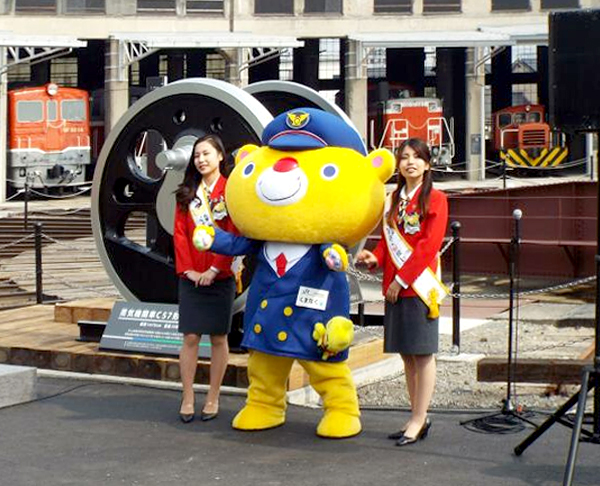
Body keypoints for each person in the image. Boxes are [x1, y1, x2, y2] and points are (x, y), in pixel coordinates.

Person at [357, 138, 448, 446]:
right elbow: (387, 240)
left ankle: (420, 418)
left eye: (417, 157)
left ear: (427, 164)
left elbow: (427, 246)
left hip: (418, 287)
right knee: (407, 355)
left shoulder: (435, 199)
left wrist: (402, 280)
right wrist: (375, 258)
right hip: (395, 286)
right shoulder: (394, 198)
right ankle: (415, 415)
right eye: (404, 157)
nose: (410, 162)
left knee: (422, 354)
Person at [173, 134, 236, 423]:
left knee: (219, 337)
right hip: (191, 276)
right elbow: (180, 235)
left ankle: (213, 397)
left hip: (220, 276)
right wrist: (189, 271)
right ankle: (187, 397)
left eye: (207, 154)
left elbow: (235, 233)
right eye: (197, 155)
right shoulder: (187, 193)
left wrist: (213, 270)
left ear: (220, 156)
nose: (201, 159)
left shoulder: (233, 191)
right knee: (190, 337)